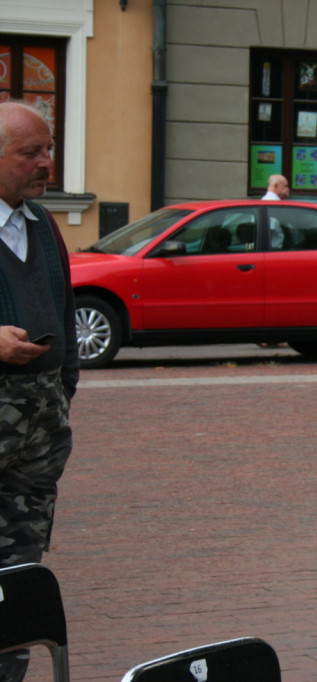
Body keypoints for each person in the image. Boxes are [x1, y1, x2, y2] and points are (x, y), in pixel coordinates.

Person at [0, 101, 78, 681]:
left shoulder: (42, 225)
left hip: (36, 445)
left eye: (48, 149)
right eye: (31, 153)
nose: (46, 163)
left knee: (19, 582)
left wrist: (63, 391)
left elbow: (67, 317)